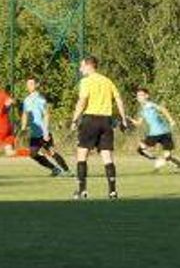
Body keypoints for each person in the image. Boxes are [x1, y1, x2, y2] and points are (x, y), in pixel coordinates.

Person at [71, 55, 131, 199]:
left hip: (90, 119)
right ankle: (112, 192)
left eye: (81, 66)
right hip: (106, 121)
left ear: (89, 65)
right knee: (107, 156)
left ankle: (82, 191)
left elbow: (83, 100)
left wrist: (74, 119)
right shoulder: (107, 81)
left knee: (82, 154)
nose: (80, 69)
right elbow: (118, 99)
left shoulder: (86, 81)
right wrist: (123, 119)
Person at [20, 77, 71, 177]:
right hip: (34, 133)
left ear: (37, 85)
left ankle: (67, 171)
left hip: (43, 132)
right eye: (28, 84)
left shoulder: (41, 99)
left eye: (31, 84)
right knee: (33, 154)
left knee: (51, 152)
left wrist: (46, 131)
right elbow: (25, 114)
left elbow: (46, 115)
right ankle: (55, 169)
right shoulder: (26, 100)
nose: (29, 86)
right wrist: (23, 127)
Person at [132, 87, 180, 171]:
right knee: (141, 149)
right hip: (155, 133)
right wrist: (129, 119)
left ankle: (159, 160)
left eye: (141, 95)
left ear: (147, 96)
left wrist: (171, 120)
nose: (139, 97)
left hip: (163, 132)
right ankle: (159, 160)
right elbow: (138, 123)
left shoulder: (150, 104)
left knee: (167, 156)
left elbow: (163, 109)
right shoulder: (142, 110)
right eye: (138, 96)